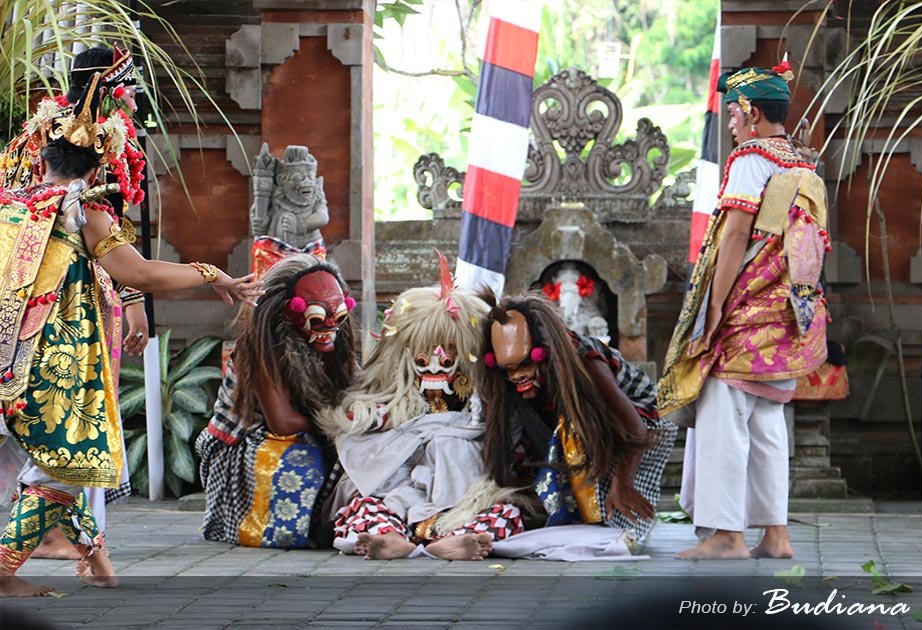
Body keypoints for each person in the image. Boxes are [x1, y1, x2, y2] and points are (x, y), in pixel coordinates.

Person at [0, 71, 260, 596]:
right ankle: (3, 572)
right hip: (53, 357)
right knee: (67, 464)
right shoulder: (84, 210)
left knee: (67, 462)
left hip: (13, 351)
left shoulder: (12, 202)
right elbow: (136, 272)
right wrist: (214, 275)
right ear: (101, 159)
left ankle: (99, 562)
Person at [656, 59, 830, 560]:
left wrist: (712, 311)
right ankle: (776, 535)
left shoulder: (752, 159)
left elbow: (734, 236)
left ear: (751, 112)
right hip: (787, 314)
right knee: (767, 421)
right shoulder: (800, 162)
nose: (730, 121)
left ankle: (728, 535)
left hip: (746, 311)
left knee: (723, 417)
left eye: (733, 111)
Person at [0, 45, 149, 561]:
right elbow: (104, 227)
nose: (134, 95)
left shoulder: (43, 127)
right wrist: (134, 299)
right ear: (107, 86)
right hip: (61, 290)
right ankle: (50, 541)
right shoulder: (97, 136)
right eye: (127, 85)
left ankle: (85, 548)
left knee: (65, 427)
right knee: (69, 421)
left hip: (40, 279)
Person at [323, 254, 522, 561]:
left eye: (446, 361)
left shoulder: (479, 407)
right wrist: (371, 416)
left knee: (506, 511)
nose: (434, 367)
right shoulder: (399, 400)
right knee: (363, 505)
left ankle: (457, 539)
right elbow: (366, 423)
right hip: (403, 488)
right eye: (421, 360)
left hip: (462, 494)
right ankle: (386, 536)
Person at [478, 293, 677, 551]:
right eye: (509, 369)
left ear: (544, 349)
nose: (517, 376)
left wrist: (623, 483)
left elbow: (635, 429)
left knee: (614, 530)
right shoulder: (508, 381)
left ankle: (611, 509)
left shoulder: (583, 360)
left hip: (638, 428)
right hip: (578, 433)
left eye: (525, 364)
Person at [195, 255, 358, 549]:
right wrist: (341, 421)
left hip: (311, 432)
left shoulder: (333, 346)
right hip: (248, 445)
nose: (331, 327)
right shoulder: (261, 350)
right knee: (300, 465)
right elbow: (282, 423)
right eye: (318, 318)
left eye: (340, 317)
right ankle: (288, 528)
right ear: (288, 312)